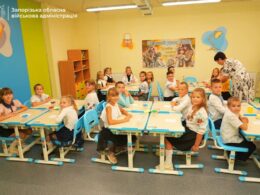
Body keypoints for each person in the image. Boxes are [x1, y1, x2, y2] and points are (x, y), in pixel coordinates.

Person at [162, 88, 208, 170]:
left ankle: (168, 164)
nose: (195, 99)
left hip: (193, 135)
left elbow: (201, 132)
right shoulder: (193, 106)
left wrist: (196, 145)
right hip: (188, 128)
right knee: (169, 131)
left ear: (203, 99)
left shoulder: (202, 112)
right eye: (193, 97)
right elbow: (188, 120)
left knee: (168, 137)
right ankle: (166, 151)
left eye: (198, 97)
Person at [97, 88, 133, 164]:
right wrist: (125, 120)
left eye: (117, 95)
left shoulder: (115, 104)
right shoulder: (109, 107)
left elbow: (122, 110)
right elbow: (110, 122)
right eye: (113, 96)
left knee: (131, 135)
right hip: (108, 130)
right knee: (125, 135)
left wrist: (127, 114)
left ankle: (118, 148)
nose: (116, 97)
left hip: (115, 127)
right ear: (109, 97)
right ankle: (110, 152)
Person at [220, 97, 256, 161]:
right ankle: (237, 158)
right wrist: (244, 121)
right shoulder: (231, 116)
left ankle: (231, 152)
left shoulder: (230, 111)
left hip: (226, 136)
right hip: (229, 140)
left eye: (238, 106)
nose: (236, 108)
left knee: (246, 140)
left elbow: (238, 115)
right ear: (228, 107)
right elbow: (245, 127)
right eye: (233, 106)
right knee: (252, 146)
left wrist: (242, 119)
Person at [0, 87, 30, 153]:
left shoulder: (15, 102)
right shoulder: (1, 106)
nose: (8, 96)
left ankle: (19, 143)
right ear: (2, 97)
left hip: (14, 125)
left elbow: (25, 107)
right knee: (21, 134)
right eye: (5, 95)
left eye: (10, 94)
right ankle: (11, 148)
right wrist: (9, 115)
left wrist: (17, 112)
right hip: (4, 128)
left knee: (29, 130)